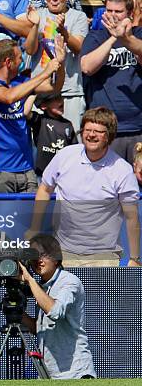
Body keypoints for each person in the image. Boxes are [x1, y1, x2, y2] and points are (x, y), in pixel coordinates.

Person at [27, 107, 141, 268]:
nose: (91, 135)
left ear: (109, 136)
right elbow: (45, 189)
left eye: (98, 131)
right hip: (63, 252)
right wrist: (34, 228)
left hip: (104, 256)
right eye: (87, 129)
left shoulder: (122, 170)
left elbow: (132, 217)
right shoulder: (65, 156)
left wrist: (135, 258)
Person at [0, 36, 65, 193]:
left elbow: (54, 87)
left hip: (26, 170)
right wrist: (45, 73)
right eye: (19, 58)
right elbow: (8, 97)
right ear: (8, 63)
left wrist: (60, 63)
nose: (22, 61)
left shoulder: (21, 82)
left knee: (30, 218)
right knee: (1, 218)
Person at [19, 234, 96, 379]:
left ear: (56, 258)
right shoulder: (41, 287)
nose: (38, 260)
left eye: (43, 255)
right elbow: (40, 329)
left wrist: (29, 279)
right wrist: (16, 311)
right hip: (50, 374)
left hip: (75, 373)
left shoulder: (69, 281)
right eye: (34, 255)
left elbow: (54, 311)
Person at [80, 0, 142, 163]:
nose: (112, 16)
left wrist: (126, 38)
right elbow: (87, 67)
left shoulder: (139, 34)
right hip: (105, 129)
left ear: (129, 14)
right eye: (109, 11)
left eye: (118, 12)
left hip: (138, 127)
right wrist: (113, 39)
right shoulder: (95, 37)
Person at [26, 0, 88, 133]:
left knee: (72, 140)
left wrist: (63, 32)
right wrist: (34, 26)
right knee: (38, 144)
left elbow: (78, 48)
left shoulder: (78, 17)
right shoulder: (37, 14)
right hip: (40, 91)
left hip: (69, 90)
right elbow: (30, 50)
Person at [26, 92, 78, 177]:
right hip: (42, 173)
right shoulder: (40, 120)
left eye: (61, 98)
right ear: (43, 106)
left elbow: (73, 149)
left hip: (62, 173)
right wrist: (34, 92)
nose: (61, 102)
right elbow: (26, 112)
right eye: (56, 100)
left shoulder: (67, 124)